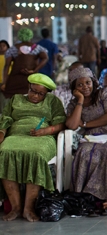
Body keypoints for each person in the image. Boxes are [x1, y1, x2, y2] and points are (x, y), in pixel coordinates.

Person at [0, 74, 66, 221]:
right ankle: (16, 207)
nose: (35, 96)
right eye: (32, 91)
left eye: (40, 93)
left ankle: (28, 208)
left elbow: (61, 123)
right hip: (16, 135)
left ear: (47, 93)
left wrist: (45, 131)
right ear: (28, 87)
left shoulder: (53, 101)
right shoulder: (16, 99)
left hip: (43, 137)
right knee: (4, 153)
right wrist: (2, 132)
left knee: (35, 154)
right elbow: (5, 118)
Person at [65, 67, 107, 214]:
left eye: (88, 83)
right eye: (80, 85)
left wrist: (85, 124)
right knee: (83, 151)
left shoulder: (104, 93)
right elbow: (71, 125)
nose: (85, 87)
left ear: (94, 82)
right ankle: (84, 196)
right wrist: (80, 101)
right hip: (90, 138)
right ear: (74, 88)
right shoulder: (73, 104)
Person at [1, 28, 49, 100]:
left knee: (15, 100)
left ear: (19, 36)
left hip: (15, 80)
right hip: (32, 79)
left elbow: (6, 66)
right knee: (31, 98)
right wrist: (35, 70)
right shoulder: (37, 48)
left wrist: (4, 83)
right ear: (31, 36)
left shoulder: (13, 49)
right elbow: (45, 58)